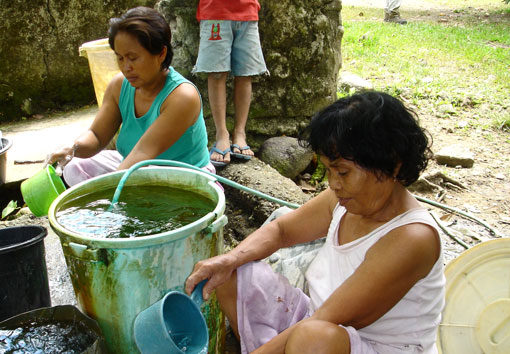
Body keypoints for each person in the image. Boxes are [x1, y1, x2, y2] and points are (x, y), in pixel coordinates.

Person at [185, 91, 445, 353]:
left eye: (343, 172)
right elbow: (281, 230)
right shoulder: (344, 199)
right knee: (231, 273)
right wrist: (228, 260)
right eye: (328, 170)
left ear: (393, 164)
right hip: (315, 319)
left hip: (365, 344)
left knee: (313, 340)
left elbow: (327, 321)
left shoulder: (412, 238)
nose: (333, 184)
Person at [46, 7, 213, 186]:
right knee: (76, 166)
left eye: (133, 58)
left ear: (161, 54)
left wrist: (109, 197)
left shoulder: (182, 96)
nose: (126, 67)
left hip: (185, 178)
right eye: (120, 58)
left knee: (127, 191)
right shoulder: (119, 86)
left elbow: (143, 153)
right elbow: (96, 135)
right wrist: (73, 148)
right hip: (135, 169)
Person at [193, 0, 268, 167]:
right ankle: (221, 134)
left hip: (247, 12)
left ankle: (240, 133)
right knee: (217, 74)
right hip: (214, 12)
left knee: (245, 74)